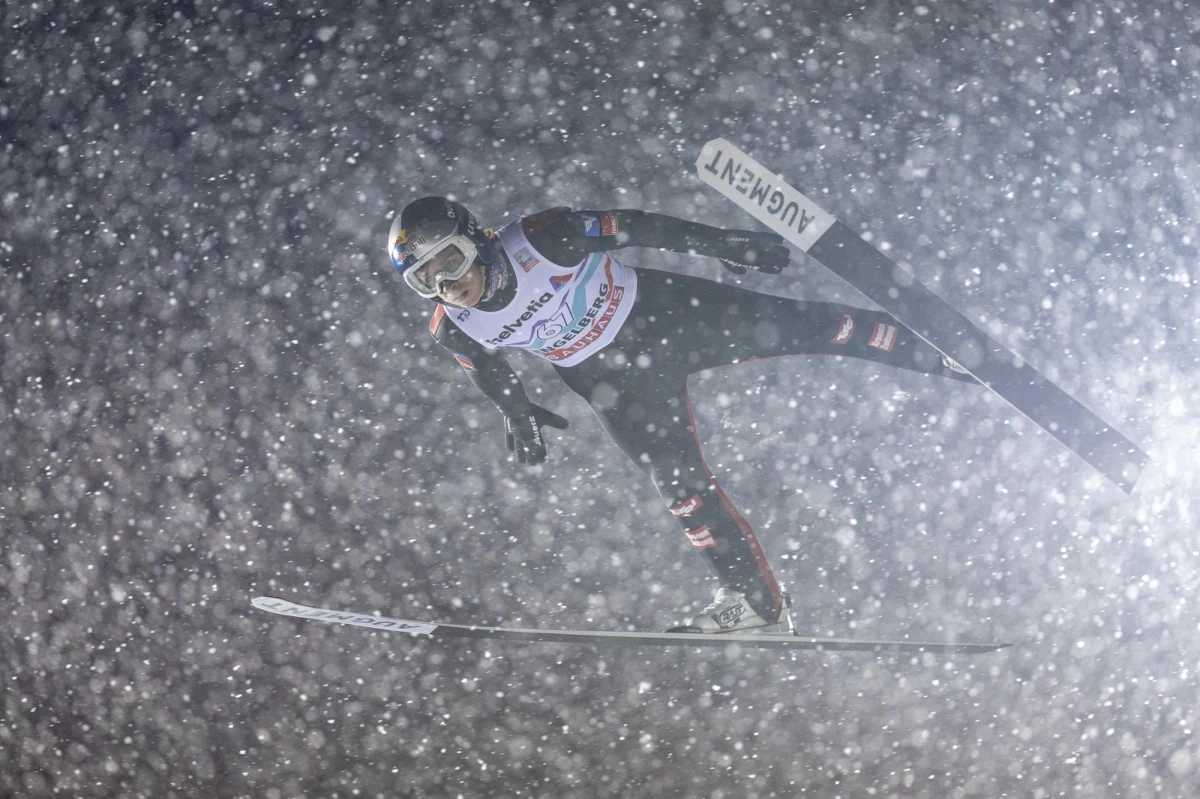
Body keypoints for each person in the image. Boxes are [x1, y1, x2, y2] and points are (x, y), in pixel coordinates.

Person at [387, 197, 975, 633]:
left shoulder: (544, 238)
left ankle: (947, 359)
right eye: (425, 280)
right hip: (614, 383)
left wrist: (724, 243)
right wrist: (513, 409)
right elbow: (484, 366)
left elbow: (640, 227)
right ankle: (751, 601)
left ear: (481, 239)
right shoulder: (450, 325)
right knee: (681, 492)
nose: (448, 284)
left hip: (663, 317)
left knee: (809, 325)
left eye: (453, 261)